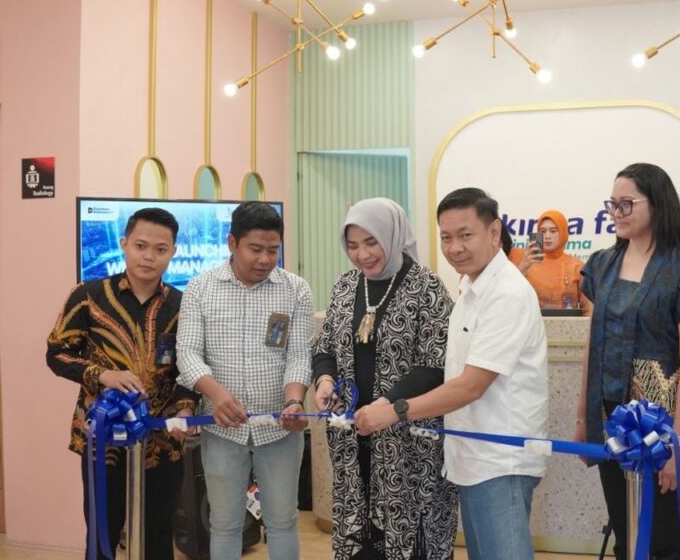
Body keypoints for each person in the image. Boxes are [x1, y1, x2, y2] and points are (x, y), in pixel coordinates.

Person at [354, 187, 547, 560]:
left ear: (494, 232)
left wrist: (394, 410)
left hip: (500, 461)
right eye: (446, 237)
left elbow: (471, 386)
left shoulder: (506, 294)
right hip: (472, 458)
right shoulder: (473, 286)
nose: (455, 247)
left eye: (465, 235)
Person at [576, 162, 680, 560]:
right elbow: (593, 345)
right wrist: (584, 419)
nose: (616, 213)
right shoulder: (602, 264)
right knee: (626, 533)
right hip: (612, 419)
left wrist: (678, 442)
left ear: (657, 204)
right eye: (612, 204)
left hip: (665, 423)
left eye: (627, 204)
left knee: (665, 539)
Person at [311, 198, 458, 558]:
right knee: (362, 539)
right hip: (353, 439)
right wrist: (325, 381)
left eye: (371, 242)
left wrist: (385, 405)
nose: (362, 254)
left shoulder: (427, 288)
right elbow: (325, 347)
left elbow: (435, 364)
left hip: (409, 444)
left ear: (393, 236)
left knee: (412, 539)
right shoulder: (345, 286)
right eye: (352, 245)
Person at [46, 207, 195, 560]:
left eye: (160, 249)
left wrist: (186, 408)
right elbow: (56, 354)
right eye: (141, 246)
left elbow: (190, 367)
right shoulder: (88, 295)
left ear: (174, 252)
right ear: (124, 243)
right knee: (103, 532)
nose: (149, 256)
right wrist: (102, 375)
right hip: (102, 438)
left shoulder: (183, 305)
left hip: (162, 439)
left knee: (159, 534)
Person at [176, 201, 313, 560]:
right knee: (224, 524)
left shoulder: (296, 289)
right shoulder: (200, 288)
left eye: (273, 250)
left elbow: (299, 355)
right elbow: (187, 353)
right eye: (255, 249)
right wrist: (216, 394)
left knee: (283, 522)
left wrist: (294, 400)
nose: (265, 260)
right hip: (222, 431)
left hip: (280, 430)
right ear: (232, 243)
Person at [519, 209, 593, 314]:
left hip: (568, 324)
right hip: (533, 323)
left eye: (553, 231)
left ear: (563, 233)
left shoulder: (576, 266)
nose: (547, 236)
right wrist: (522, 269)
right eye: (542, 231)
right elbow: (513, 301)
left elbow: (589, 310)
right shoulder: (528, 264)